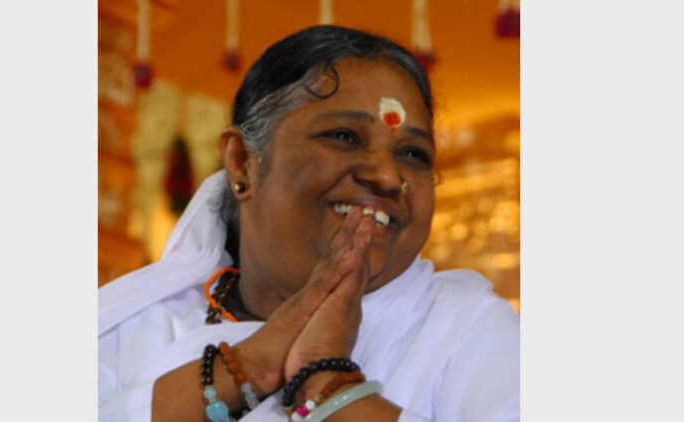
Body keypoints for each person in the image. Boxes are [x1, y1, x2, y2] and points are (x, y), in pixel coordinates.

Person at [99, 25, 519, 422]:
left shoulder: (467, 330)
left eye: (414, 154)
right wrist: (251, 364)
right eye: (344, 137)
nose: (388, 177)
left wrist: (325, 378)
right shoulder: (125, 330)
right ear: (243, 162)